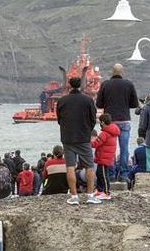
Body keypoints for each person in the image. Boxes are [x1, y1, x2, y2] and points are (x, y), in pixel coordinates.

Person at [58, 76, 100, 205]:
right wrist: (87, 130)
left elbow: (59, 120)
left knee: (70, 167)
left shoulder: (62, 100)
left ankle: (74, 196)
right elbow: (93, 119)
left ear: (69, 86)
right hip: (83, 137)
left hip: (68, 138)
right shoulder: (88, 100)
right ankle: (90, 195)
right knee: (89, 166)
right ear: (81, 85)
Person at [96, 63, 139, 181]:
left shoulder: (105, 84)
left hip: (110, 122)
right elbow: (134, 104)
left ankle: (111, 174)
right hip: (124, 120)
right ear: (122, 72)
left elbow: (98, 104)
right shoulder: (128, 84)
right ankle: (124, 174)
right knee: (124, 148)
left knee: (110, 149)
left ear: (112, 72)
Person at [91, 113, 119, 199]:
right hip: (107, 157)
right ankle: (99, 190)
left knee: (103, 175)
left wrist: (87, 143)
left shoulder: (104, 133)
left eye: (99, 121)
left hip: (103, 157)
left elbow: (96, 144)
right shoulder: (112, 132)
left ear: (102, 122)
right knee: (99, 173)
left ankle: (106, 193)